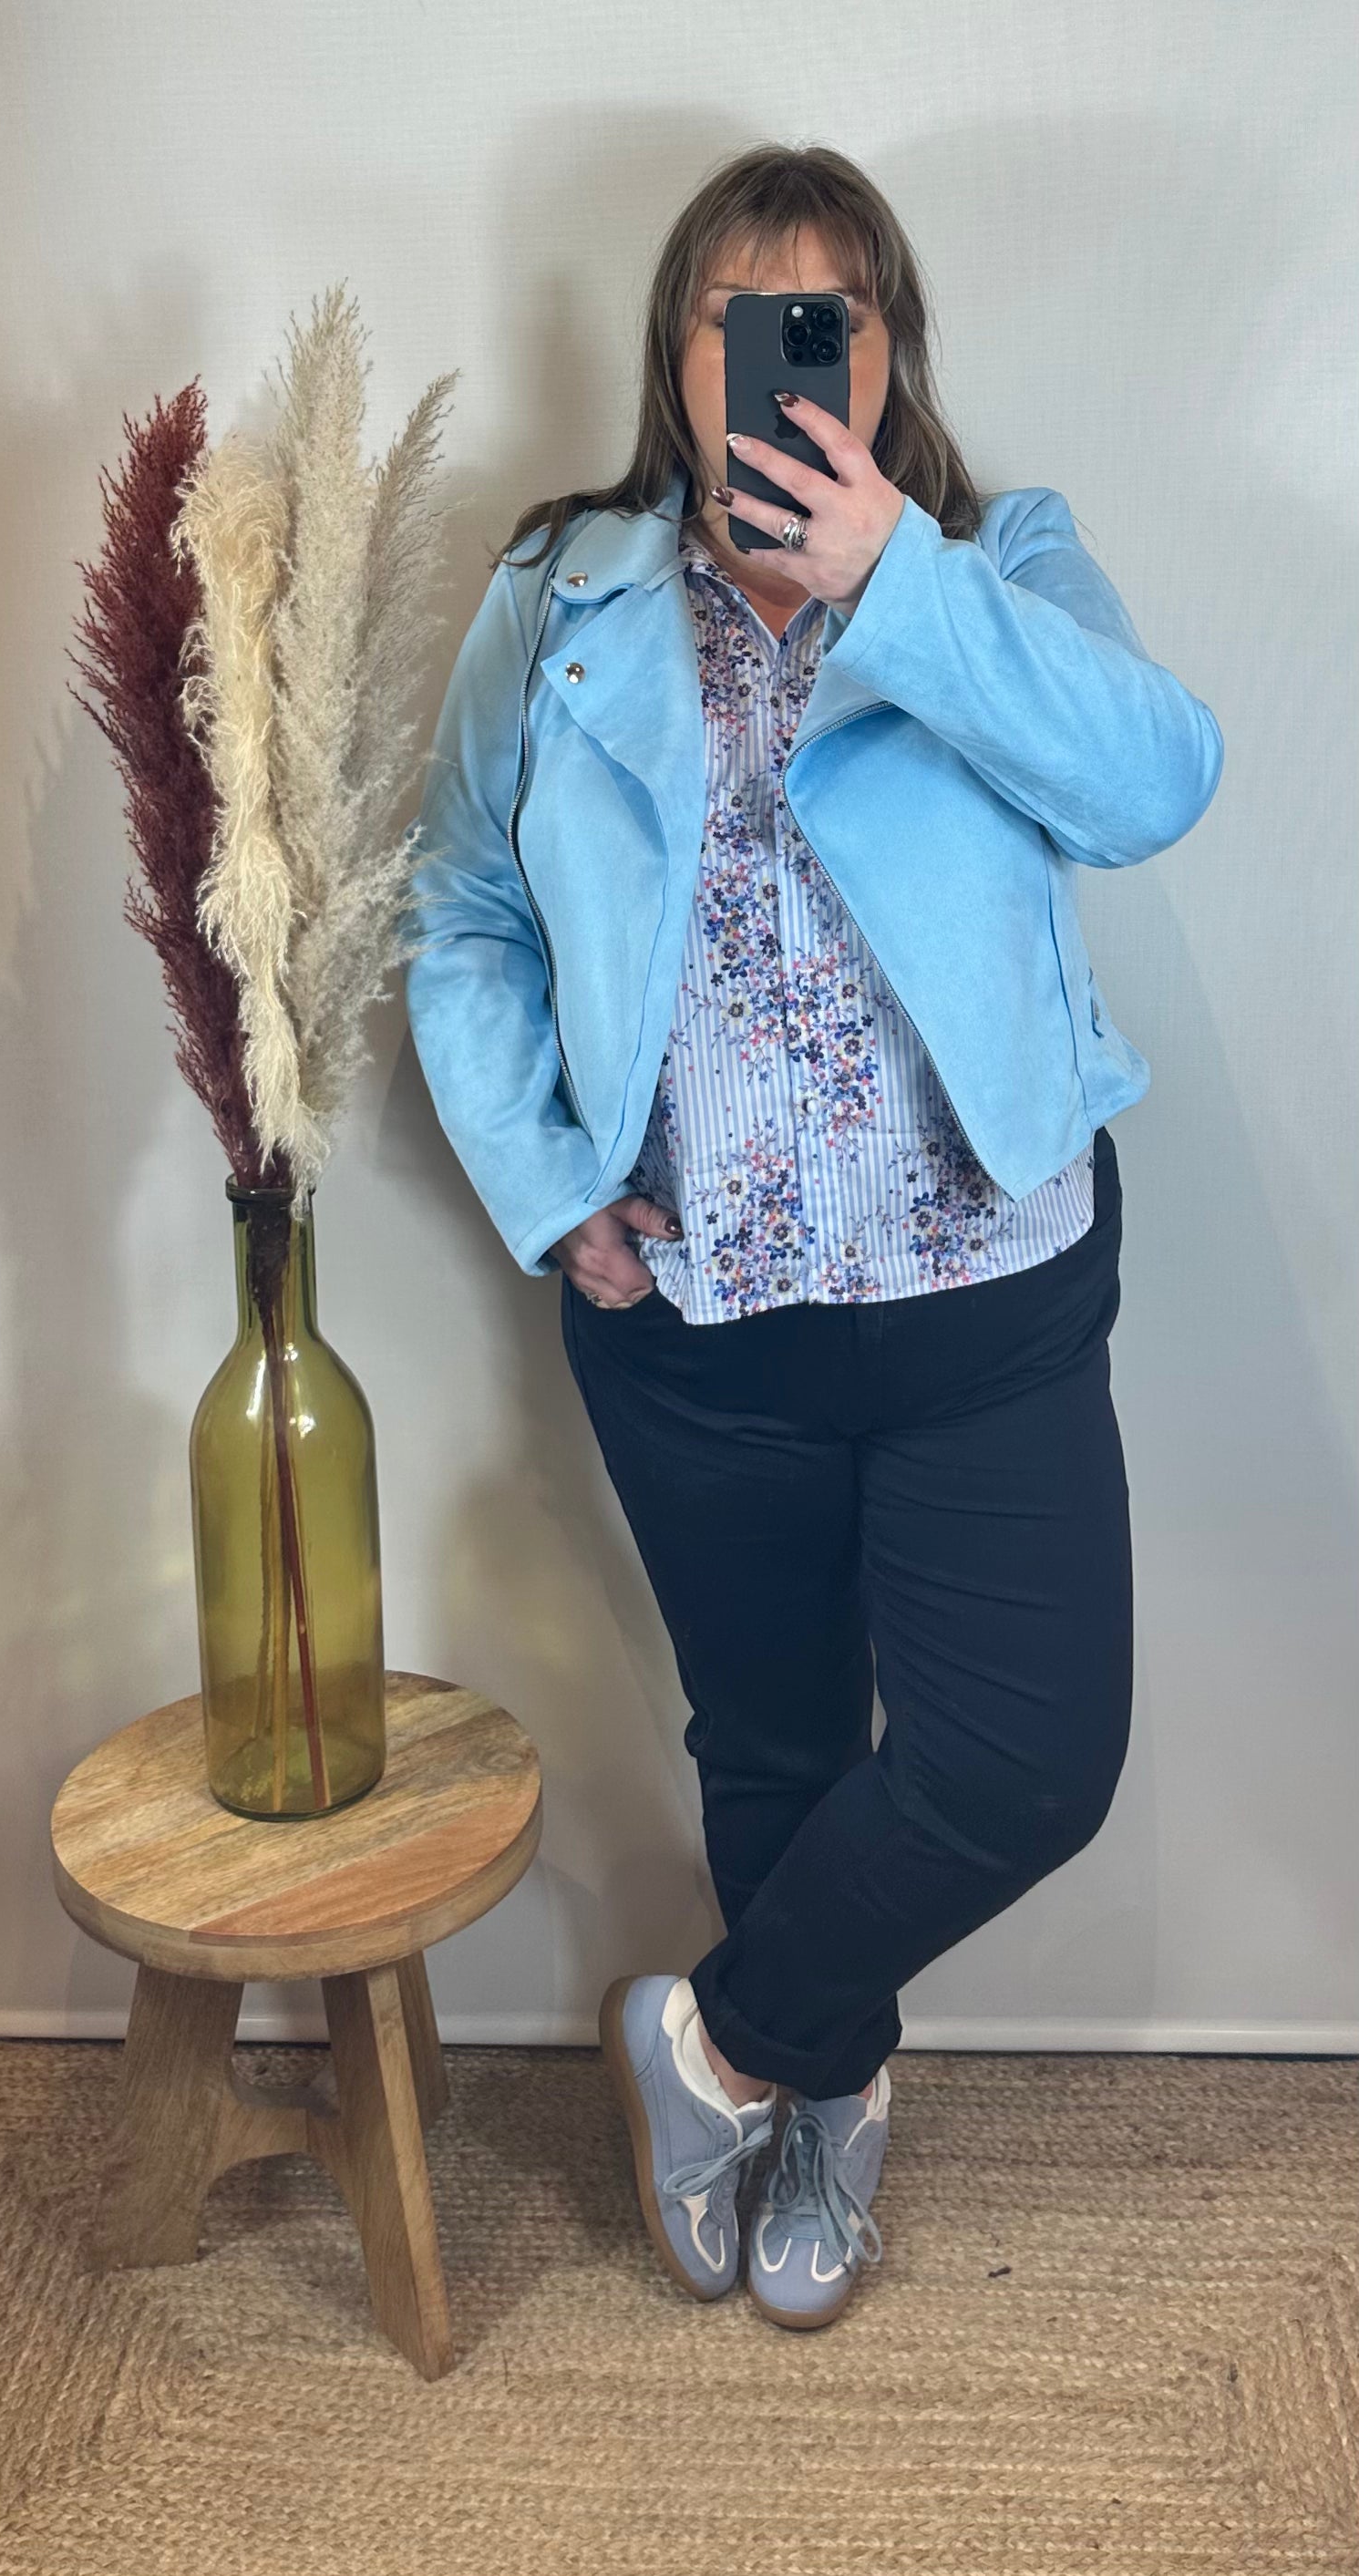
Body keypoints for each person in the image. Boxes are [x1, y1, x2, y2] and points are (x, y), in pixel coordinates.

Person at [402, 143, 1223, 2332]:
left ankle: (716, 2047)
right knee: (769, 1744)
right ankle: (822, 2104)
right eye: (742, 316)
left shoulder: (997, 562)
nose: (785, 355)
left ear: (885, 355)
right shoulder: (561, 596)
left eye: (829, 319)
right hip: (695, 1316)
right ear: (676, 355)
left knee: (1024, 1758)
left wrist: (892, 578)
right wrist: (548, 1184)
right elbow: (460, 912)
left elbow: (1154, 782)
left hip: (990, 1297)